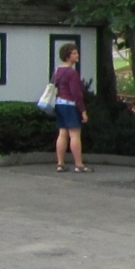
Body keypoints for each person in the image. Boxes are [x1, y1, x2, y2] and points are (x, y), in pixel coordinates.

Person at [53, 44, 89, 173]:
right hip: (70, 105)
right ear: (67, 56)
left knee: (62, 133)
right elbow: (76, 93)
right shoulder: (72, 72)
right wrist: (83, 110)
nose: (77, 55)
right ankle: (79, 164)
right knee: (74, 134)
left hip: (59, 104)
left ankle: (60, 164)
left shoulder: (57, 70)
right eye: (74, 53)